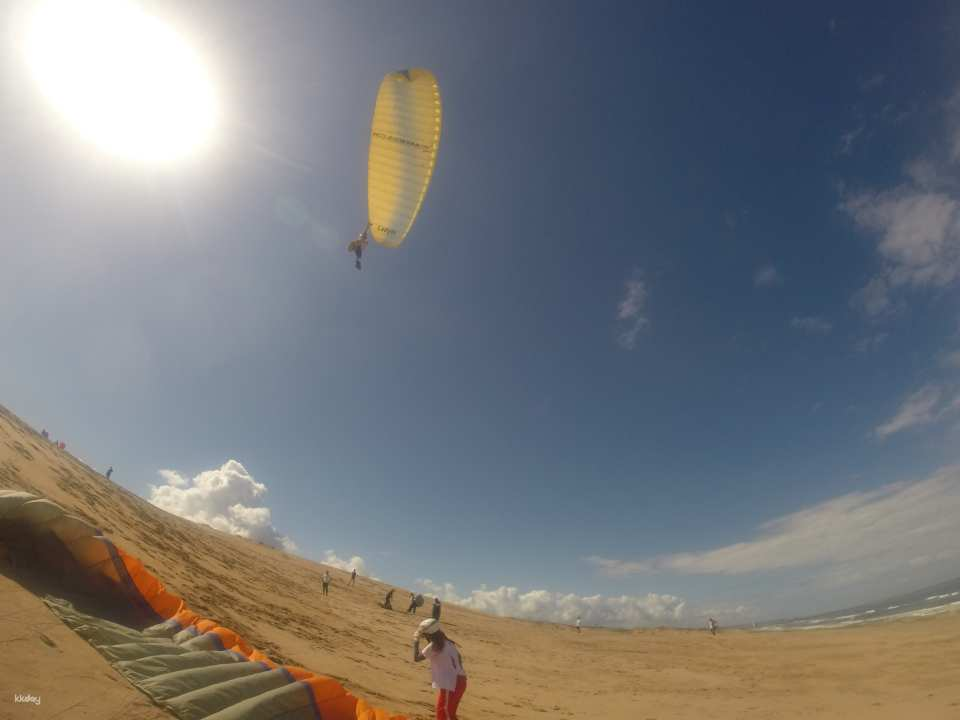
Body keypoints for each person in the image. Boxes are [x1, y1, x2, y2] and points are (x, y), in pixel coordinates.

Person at [413, 618, 467, 720]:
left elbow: (416, 658)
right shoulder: (448, 642)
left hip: (451, 683)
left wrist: (416, 641)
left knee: (443, 714)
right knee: (449, 713)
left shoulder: (435, 646)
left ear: (429, 634)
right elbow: (459, 658)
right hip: (460, 680)